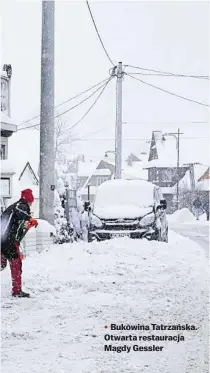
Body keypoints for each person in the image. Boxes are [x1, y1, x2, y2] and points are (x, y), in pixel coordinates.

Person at [1, 189, 38, 298]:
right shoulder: (20, 205)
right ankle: (17, 291)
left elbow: (18, 227)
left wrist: (29, 223)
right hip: (7, 240)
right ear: (28, 200)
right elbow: (20, 213)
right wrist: (29, 218)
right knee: (16, 263)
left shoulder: (15, 206)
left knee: (7, 264)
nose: (31, 204)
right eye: (31, 201)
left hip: (5, 239)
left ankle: (2, 258)